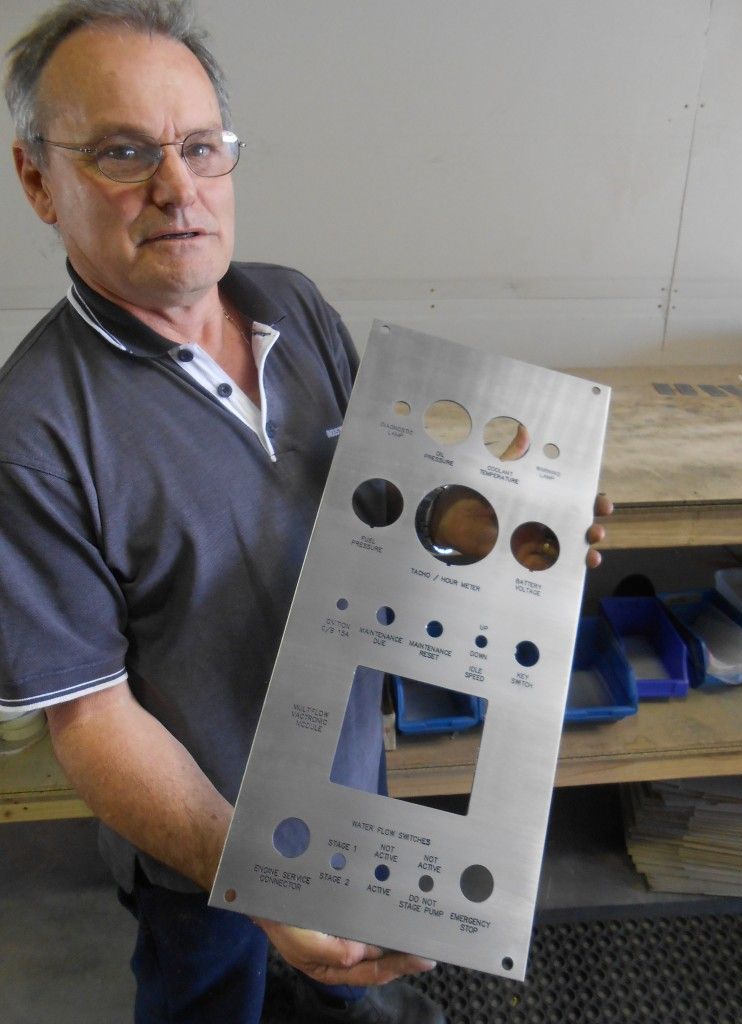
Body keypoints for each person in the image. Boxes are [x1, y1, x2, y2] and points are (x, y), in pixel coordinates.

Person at [0, 3, 611, 1022]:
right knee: (207, 1000)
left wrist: (509, 530)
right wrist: (259, 874)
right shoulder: (33, 431)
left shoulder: (292, 306)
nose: (177, 188)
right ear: (37, 181)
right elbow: (89, 716)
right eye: (123, 153)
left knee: (359, 1002)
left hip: (354, 785)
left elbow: (385, 505)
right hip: (199, 847)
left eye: (201, 147)